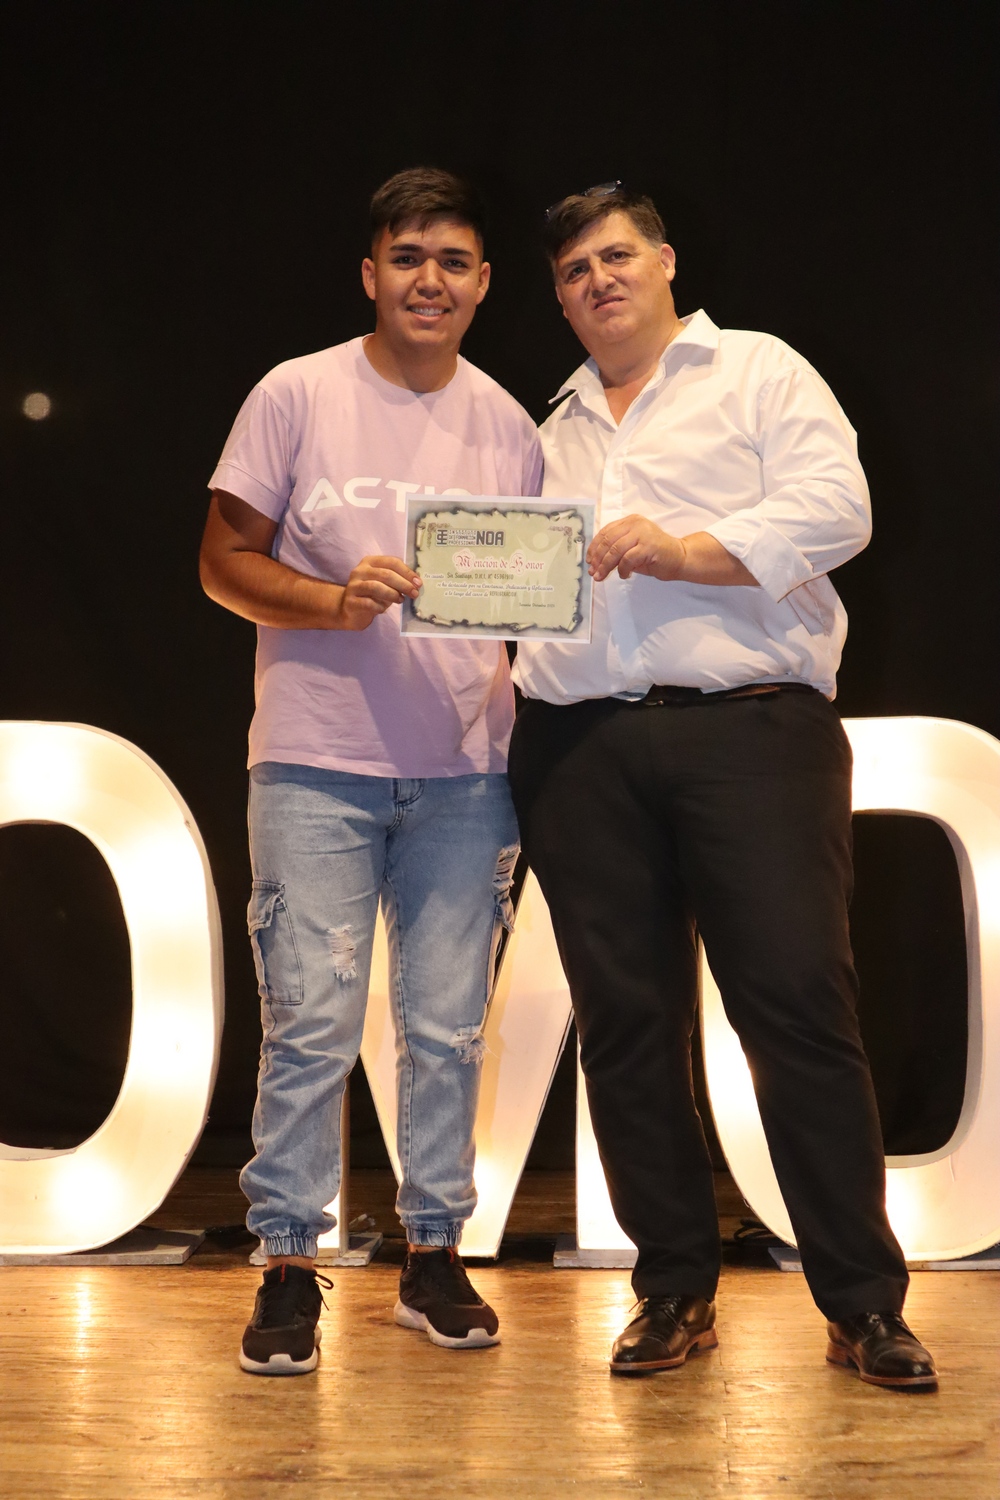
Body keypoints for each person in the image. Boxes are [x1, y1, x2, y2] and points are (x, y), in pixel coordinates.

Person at [508, 183, 937, 1390]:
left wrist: (686, 550)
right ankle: (671, 1292)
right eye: (574, 271)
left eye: (616, 255)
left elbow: (838, 508)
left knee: (796, 1009)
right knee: (624, 1026)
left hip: (751, 732)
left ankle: (862, 1304)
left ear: (664, 262)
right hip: (579, 748)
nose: (598, 279)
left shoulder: (757, 370)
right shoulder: (543, 428)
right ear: (558, 299)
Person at [200, 166, 541, 1375]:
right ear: (369, 274)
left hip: (466, 772)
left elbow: (537, 601)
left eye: (451, 261)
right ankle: (289, 1264)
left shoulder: (511, 426)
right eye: (407, 258)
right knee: (311, 1027)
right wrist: (331, 601)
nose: (428, 280)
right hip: (314, 764)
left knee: (446, 1032)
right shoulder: (295, 391)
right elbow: (221, 562)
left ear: (483, 283)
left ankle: (433, 1254)